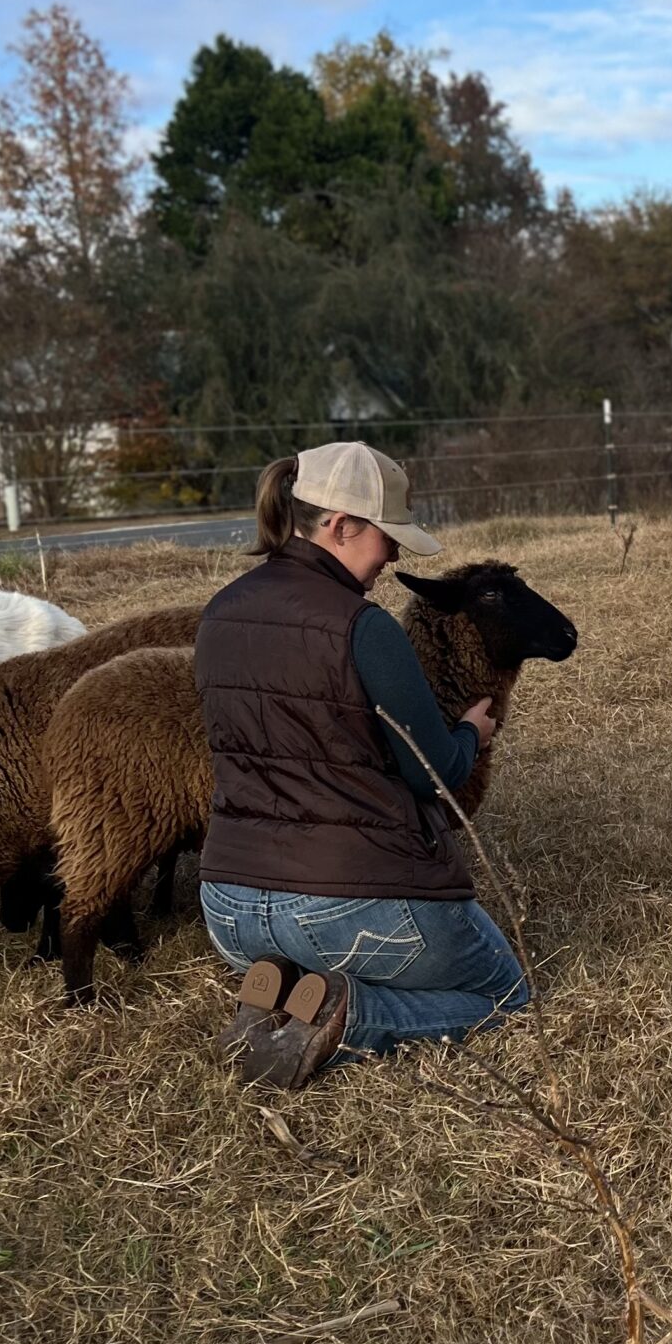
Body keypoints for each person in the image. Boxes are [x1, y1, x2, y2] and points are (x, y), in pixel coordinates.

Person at [193, 440, 528, 1089]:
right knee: (506, 996)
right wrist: (471, 732)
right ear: (340, 526)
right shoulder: (364, 628)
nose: (396, 555)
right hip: (349, 909)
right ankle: (351, 1015)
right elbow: (435, 773)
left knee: (310, 942)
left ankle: (287, 995)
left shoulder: (218, 615)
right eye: (387, 536)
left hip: (230, 910)